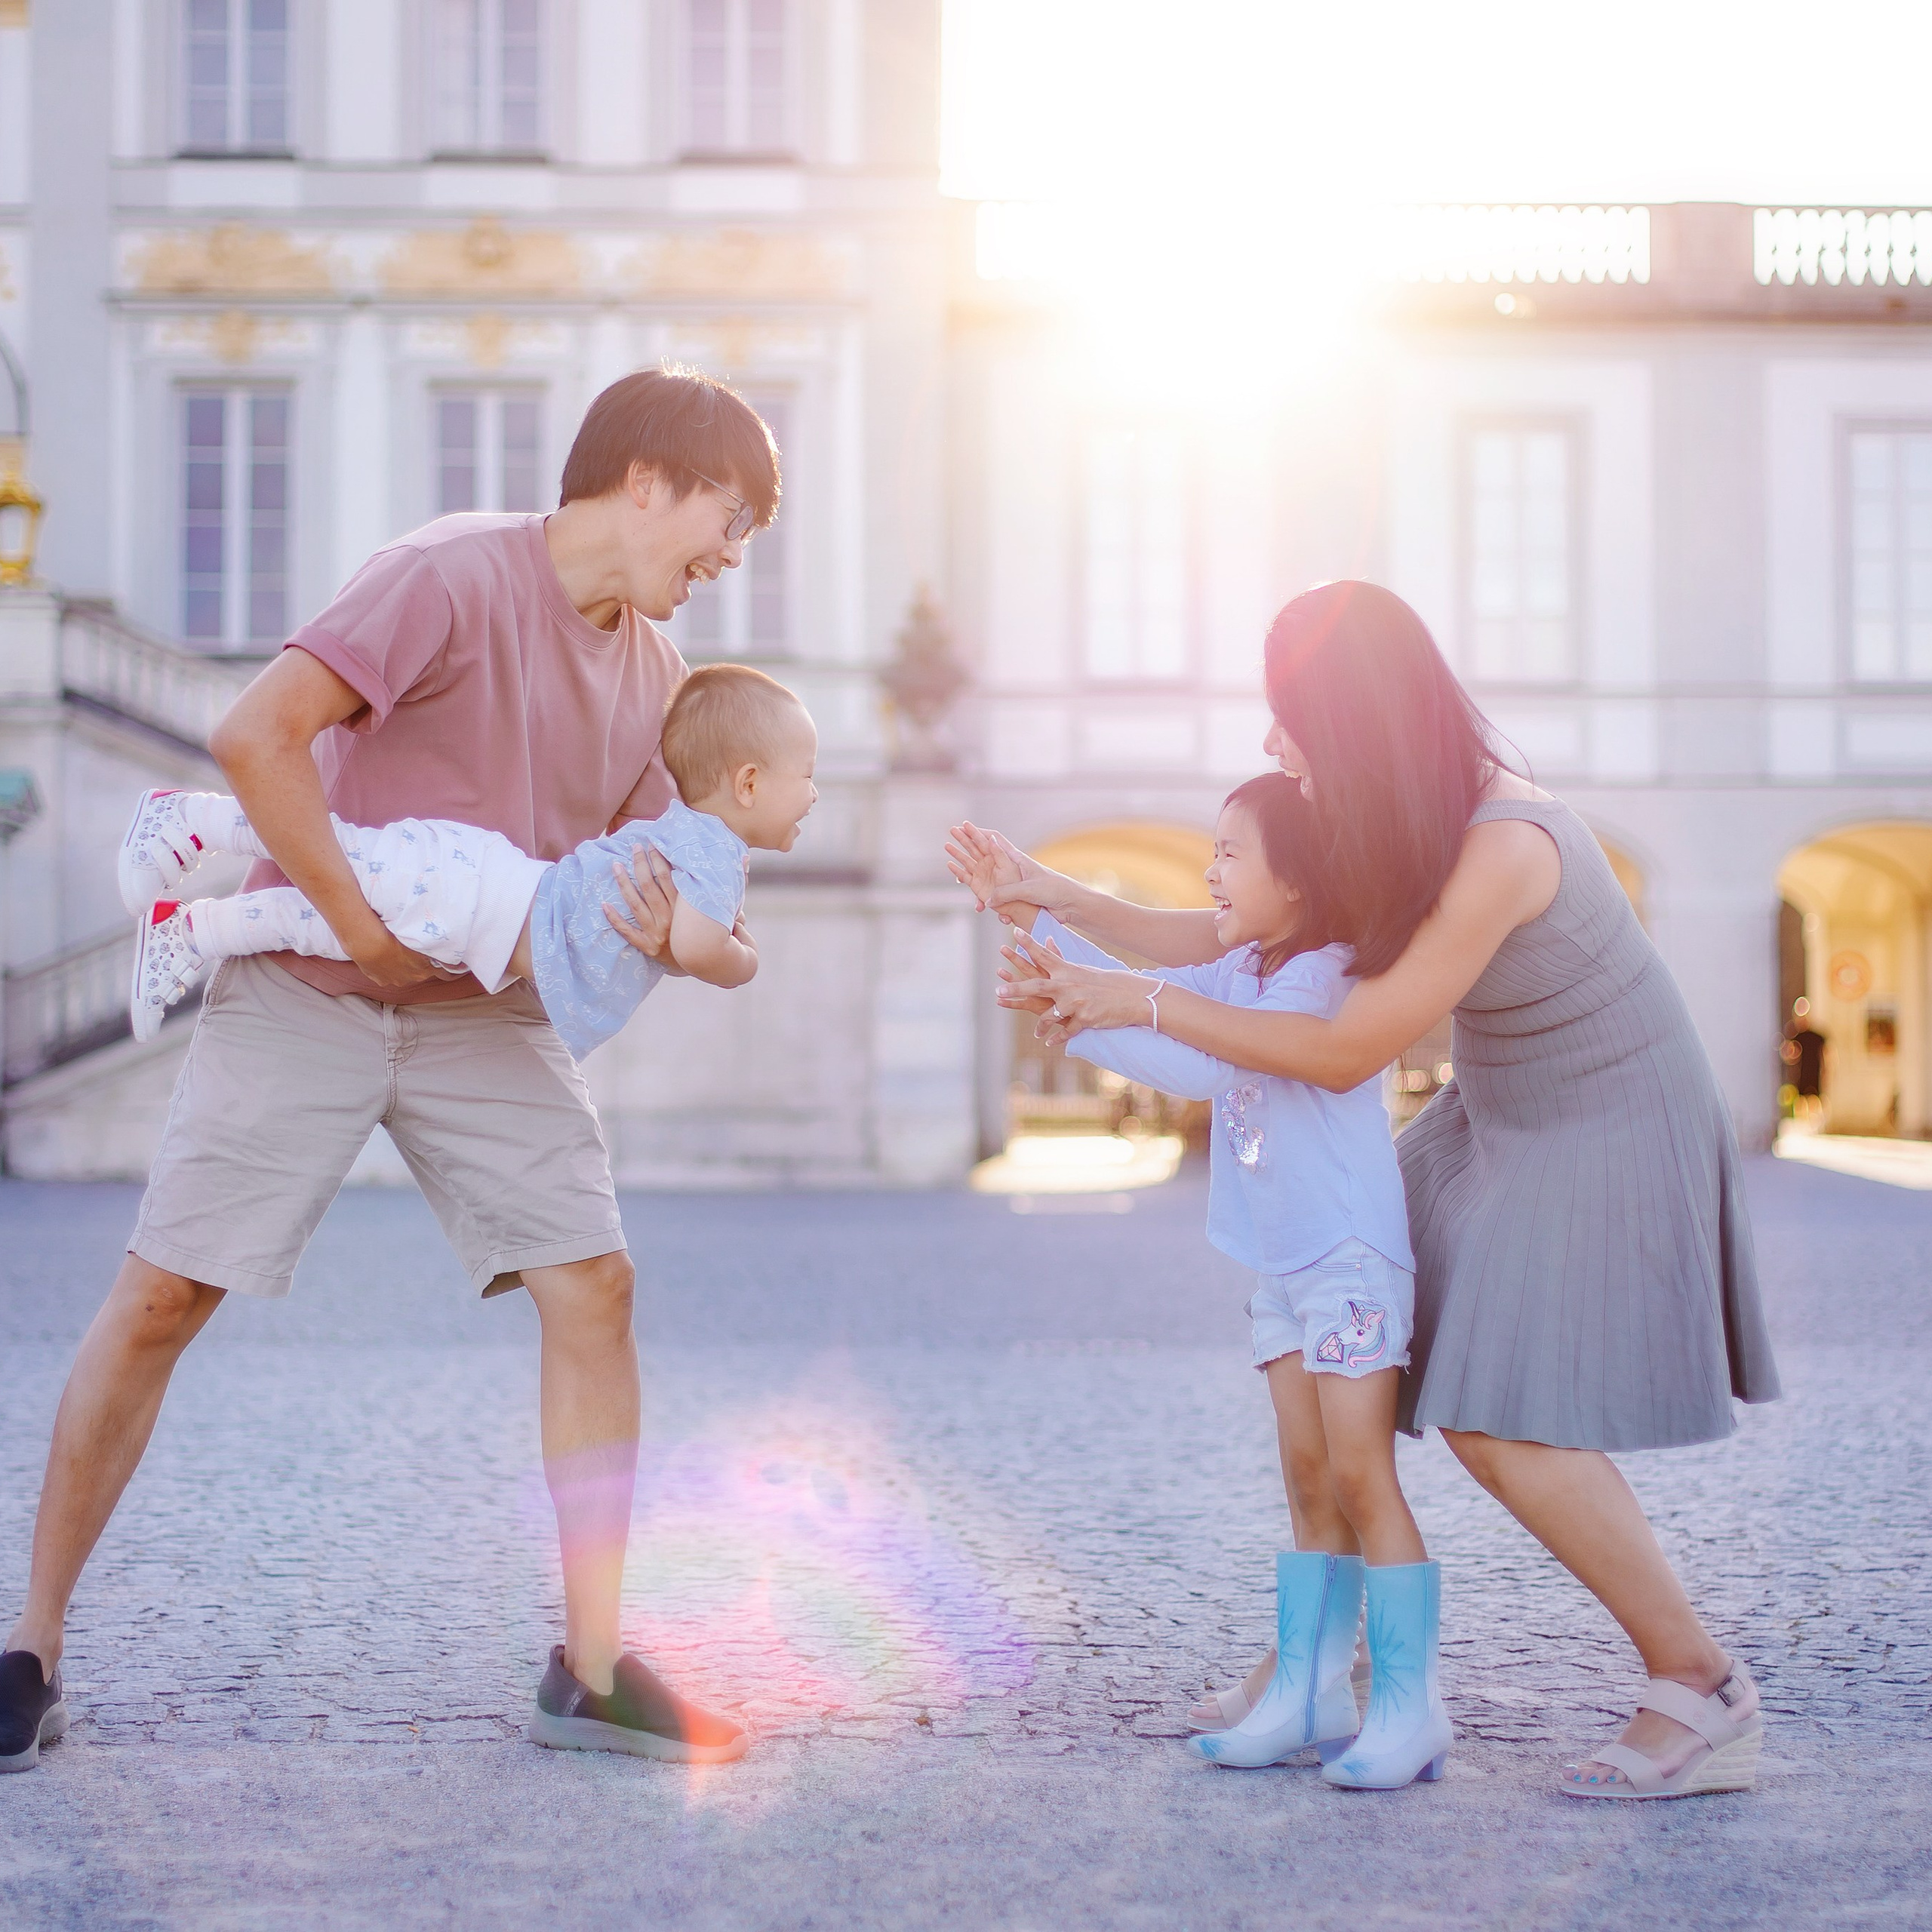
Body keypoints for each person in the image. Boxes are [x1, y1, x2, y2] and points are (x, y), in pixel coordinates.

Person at [0, 366, 769, 1774]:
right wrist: (360, 928)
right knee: (163, 1293)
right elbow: (254, 737)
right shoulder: (445, 576)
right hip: (311, 979)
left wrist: (688, 933)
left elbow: (633, 882)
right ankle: (27, 1650)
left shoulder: (659, 681)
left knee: (593, 1284)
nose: (734, 553)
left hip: (483, 1010)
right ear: (647, 479)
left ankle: (591, 1671)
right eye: (731, 515)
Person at [957, 580, 1780, 1801]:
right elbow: (1241, 941)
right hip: (1498, 1109)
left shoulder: (1505, 840)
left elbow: (1346, 1050)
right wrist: (1057, 897)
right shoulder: (1391, 823)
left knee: (1500, 1416)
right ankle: (1317, 1664)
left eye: (1291, 717)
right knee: (1345, 1370)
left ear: (1358, 722)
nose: (1274, 745)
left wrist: (1133, 1002)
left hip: (1607, 1112)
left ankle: (1701, 1685)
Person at [952, 774, 1451, 1789]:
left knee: (1361, 1476)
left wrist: (1092, 989)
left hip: (1347, 1259)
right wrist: (1062, 972)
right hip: (1279, 1262)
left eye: (1232, 852)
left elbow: (1214, 1060)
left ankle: (1410, 1706)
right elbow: (1177, 1047)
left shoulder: (1321, 974)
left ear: (1301, 883)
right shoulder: (1245, 970)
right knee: (1309, 1484)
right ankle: (1308, 1693)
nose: (1211, 869)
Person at [125, 665, 818, 1058]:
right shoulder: (719, 856)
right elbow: (698, 948)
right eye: (807, 775)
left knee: (333, 909)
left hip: (480, 911)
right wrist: (745, 959)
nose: (815, 794)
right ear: (749, 783)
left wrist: (721, 933)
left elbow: (685, 937)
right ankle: (189, 819)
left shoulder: (695, 836)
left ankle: (188, 931)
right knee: (336, 866)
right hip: (480, 897)